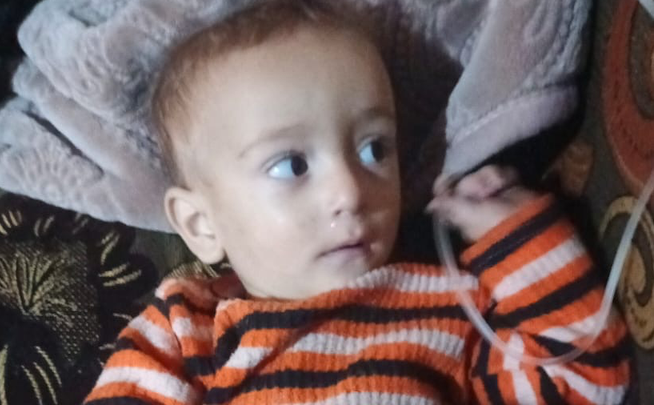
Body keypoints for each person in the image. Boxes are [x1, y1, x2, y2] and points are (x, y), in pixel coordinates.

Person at [84, 1, 631, 403]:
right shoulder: (188, 332)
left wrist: (518, 237)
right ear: (202, 224)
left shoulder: (449, 305)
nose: (350, 191)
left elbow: (582, 384)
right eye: (291, 165)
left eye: (374, 149)